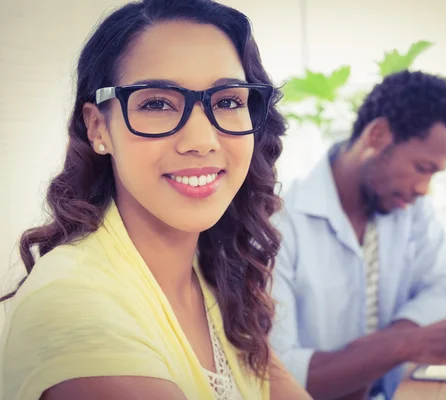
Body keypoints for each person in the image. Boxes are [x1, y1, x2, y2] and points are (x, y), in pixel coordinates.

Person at [0, 1, 311, 399]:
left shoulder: (214, 279)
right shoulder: (73, 304)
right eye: (157, 103)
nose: (201, 141)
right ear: (99, 127)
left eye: (228, 101)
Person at [269, 70, 446, 400]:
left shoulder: (409, 207)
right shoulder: (279, 222)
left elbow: (445, 287)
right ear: (378, 135)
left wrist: (387, 346)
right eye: (422, 168)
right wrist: (406, 344)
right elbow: (278, 376)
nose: (424, 189)